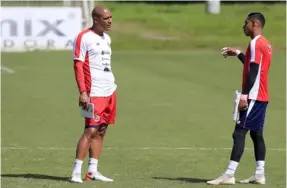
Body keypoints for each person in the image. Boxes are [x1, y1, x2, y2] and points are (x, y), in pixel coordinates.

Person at [207, 12, 272, 185]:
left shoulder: (256, 43)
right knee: (256, 134)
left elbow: (254, 71)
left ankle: (229, 174)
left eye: (246, 23)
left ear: (255, 24)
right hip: (262, 96)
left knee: (239, 132)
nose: (243, 26)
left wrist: (244, 95)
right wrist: (238, 53)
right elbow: (253, 65)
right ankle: (259, 173)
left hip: (253, 96)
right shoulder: (265, 43)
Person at [70, 6, 116, 183]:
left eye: (111, 17)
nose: (110, 21)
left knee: (102, 129)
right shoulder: (84, 37)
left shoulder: (107, 38)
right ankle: (75, 172)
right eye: (106, 18)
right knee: (90, 130)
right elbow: (78, 65)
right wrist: (82, 91)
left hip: (109, 90)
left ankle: (92, 171)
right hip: (93, 92)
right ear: (96, 19)